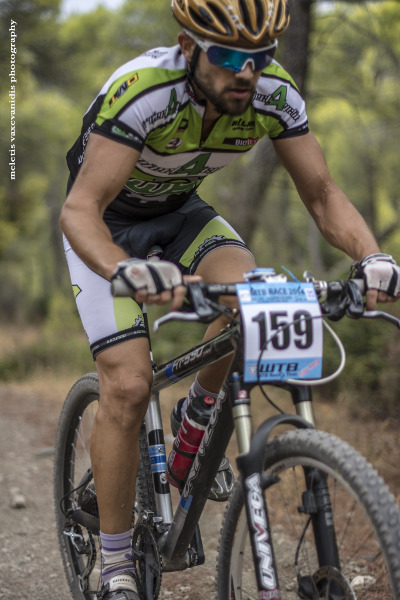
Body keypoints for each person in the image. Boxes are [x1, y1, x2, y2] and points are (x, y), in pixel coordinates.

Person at [60, 1, 400, 598]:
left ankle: (196, 416)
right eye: (229, 56)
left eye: (260, 57)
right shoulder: (145, 91)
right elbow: (79, 209)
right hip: (106, 225)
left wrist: (372, 258)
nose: (247, 72)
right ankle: (115, 566)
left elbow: (322, 194)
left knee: (254, 298)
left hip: (182, 214)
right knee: (130, 385)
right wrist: (126, 270)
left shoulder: (273, 93)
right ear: (189, 47)